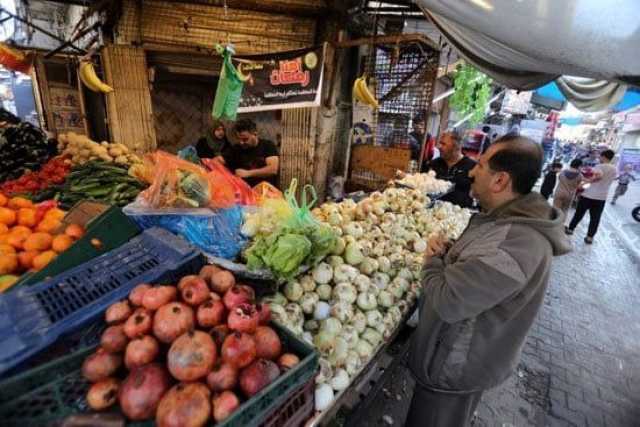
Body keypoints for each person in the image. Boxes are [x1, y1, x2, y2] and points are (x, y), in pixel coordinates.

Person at [405, 135, 571, 427]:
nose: (471, 171)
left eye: (480, 165)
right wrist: (452, 253)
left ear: (500, 181)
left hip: (455, 364)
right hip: (458, 354)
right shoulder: (506, 221)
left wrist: (432, 260)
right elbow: (480, 265)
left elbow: (447, 301)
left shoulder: (515, 245)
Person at [565, 149, 617, 244]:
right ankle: (590, 237)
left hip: (589, 195)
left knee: (579, 214)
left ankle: (570, 229)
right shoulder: (614, 169)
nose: (599, 158)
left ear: (604, 157)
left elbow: (598, 177)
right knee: (595, 218)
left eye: (601, 156)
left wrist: (585, 182)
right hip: (601, 197)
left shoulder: (599, 166)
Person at [216, 118, 279, 187]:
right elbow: (219, 160)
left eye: (245, 139)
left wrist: (248, 173)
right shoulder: (236, 148)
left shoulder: (267, 145)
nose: (241, 142)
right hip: (244, 193)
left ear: (255, 134)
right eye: (239, 139)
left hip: (266, 192)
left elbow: (273, 169)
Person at [425, 131, 476, 208]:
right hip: (433, 212)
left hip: (459, 214)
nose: (439, 147)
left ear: (456, 147)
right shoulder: (434, 164)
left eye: (443, 144)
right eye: (440, 143)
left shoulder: (472, 167)